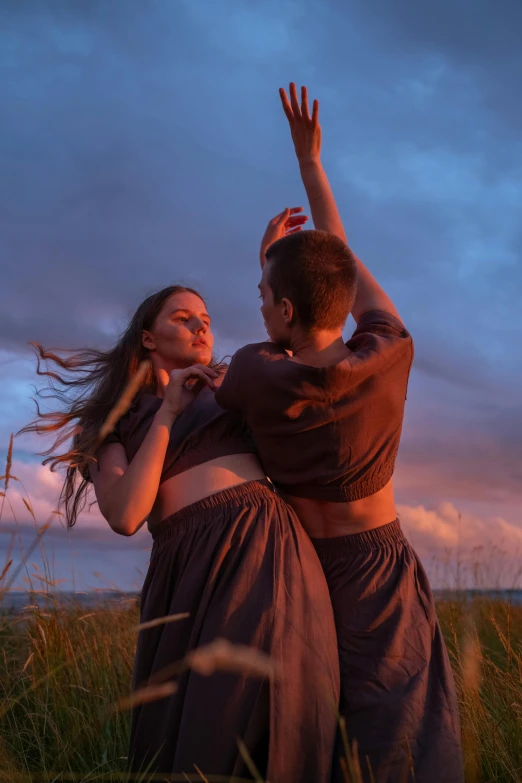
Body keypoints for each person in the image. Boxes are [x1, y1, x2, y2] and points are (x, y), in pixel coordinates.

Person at [215, 84, 464, 782]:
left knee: (308, 742)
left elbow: (300, 304)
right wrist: (312, 168)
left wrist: (271, 264)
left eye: (264, 297)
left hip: (297, 574)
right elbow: (343, 276)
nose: (260, 303)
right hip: (378, 570)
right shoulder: (390, 355)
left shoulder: (255, 375)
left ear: (285, 309)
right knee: (399, 742)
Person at [21, 283, 340, 782]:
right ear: (148, 339)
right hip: (187, 568)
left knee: (274, 714)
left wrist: (275, 271)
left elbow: (313, 357)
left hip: (262, 547)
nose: (201, 327)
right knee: (196, 732)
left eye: (206, 320)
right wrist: (168, 411)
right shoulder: (115, 423)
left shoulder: (232, 388)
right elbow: (127, 515)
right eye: (184, 318)